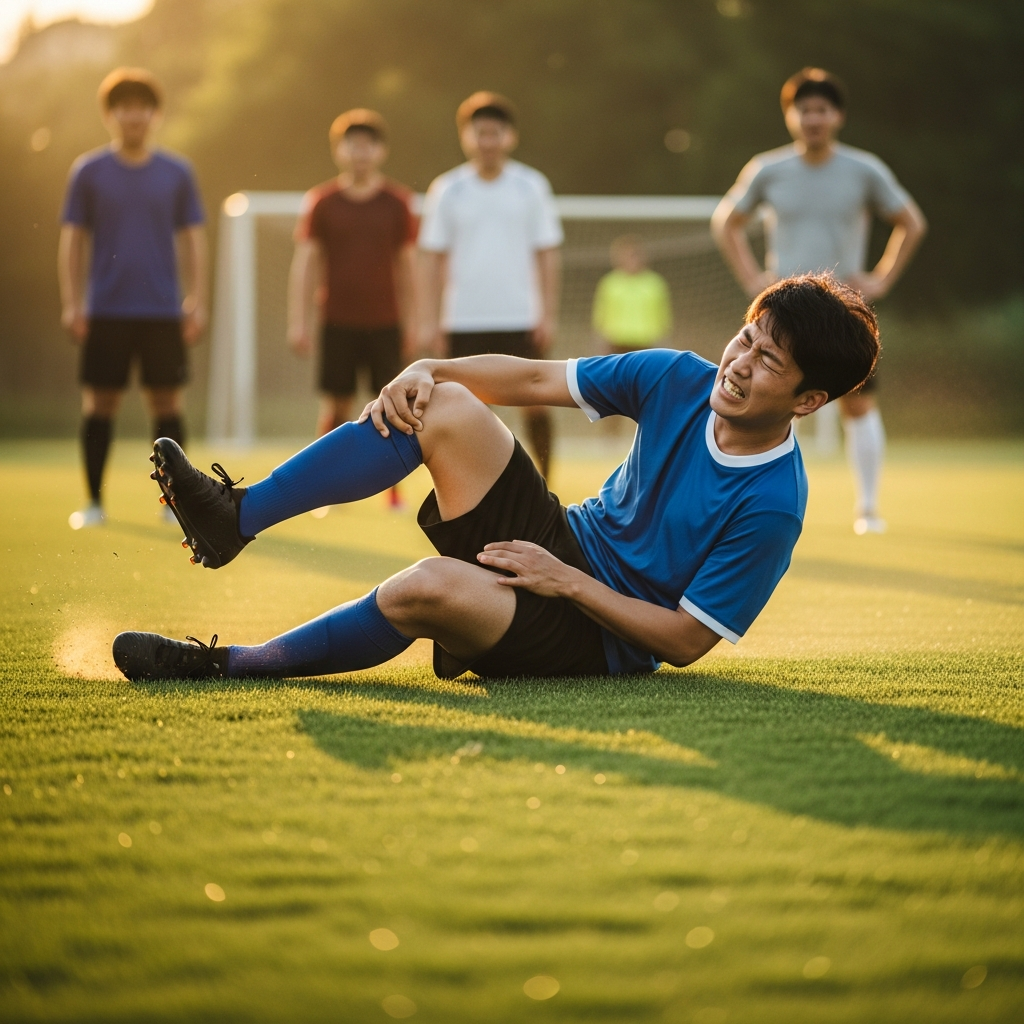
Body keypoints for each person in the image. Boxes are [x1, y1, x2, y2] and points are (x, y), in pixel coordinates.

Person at [112, 273, 879, 684]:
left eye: (768, 361)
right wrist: (427, 367)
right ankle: (235, 517)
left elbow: (684, 642)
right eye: (745, 340)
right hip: (556, 539)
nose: (739, 364)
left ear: (809, 400)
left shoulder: (774, 502)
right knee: (440, 405)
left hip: (597, 635)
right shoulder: (680, 377)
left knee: (426, 586)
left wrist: (567, 584)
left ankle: (221, 665)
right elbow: (535, 378)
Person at [712, 68, 926, 535]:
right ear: (791, 116)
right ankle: (757, 512)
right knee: (770, 407)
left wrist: (883, 277)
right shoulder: (768, 169)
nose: (813, 118)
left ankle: (867, 509)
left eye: (822, 109)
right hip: (782, 318)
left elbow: (912, 221)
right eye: (804, 109)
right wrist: (752, 277)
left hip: (841, 315)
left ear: (838, 116)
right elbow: (725, 221)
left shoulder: (864, 169)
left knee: (859, 406)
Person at [59, 67, 206, 529]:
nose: (133, 116)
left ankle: (173, 506)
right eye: (123, 107)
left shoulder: (177, 172)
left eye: (142, 107)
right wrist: (72, 301)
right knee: (100, 405)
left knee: (167, 406)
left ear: (154, 114)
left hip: (163, 310)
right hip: (106, 309)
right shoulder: (89, 171)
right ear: (111, 114)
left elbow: (194, 238)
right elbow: (72, 238)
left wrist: (197, 297)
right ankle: (95, 503)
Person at [417, 91, 561, 481]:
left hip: (520, 316)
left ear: (509, 136)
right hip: (464, 319)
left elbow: (547, 252)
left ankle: (546, 485)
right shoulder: (447, 189)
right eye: (479, 133)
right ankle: (481, 489)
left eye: (495, 132)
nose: (487, 141)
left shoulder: (531, 186)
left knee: (536, 403)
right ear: (467, 137)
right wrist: (430, 319)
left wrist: (547, 313)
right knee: (470, 411)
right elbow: (432, 258)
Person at [287, 109, 418, 511]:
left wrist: (417, 322)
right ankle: (319, 490)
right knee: (336, 406)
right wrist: (298, 322)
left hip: (386, 323)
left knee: (395, 409)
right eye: (352, 144)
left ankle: (394, 492)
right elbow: (306, 262)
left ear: (381, 151)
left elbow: (409, 266)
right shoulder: (322, 202)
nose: (360, 153)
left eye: (368, 145)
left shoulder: (397, 203)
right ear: (339, 150)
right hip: (337, 322)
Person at [592, 235, 673, 354]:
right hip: (617, 343)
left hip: (646, 344)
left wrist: (663, 342)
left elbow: (664, 317)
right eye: (628, 256)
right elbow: (600, 316)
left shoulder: (655, 283)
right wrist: (600, 343)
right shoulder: (609, 283)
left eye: (635, 255)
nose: (632, 260)